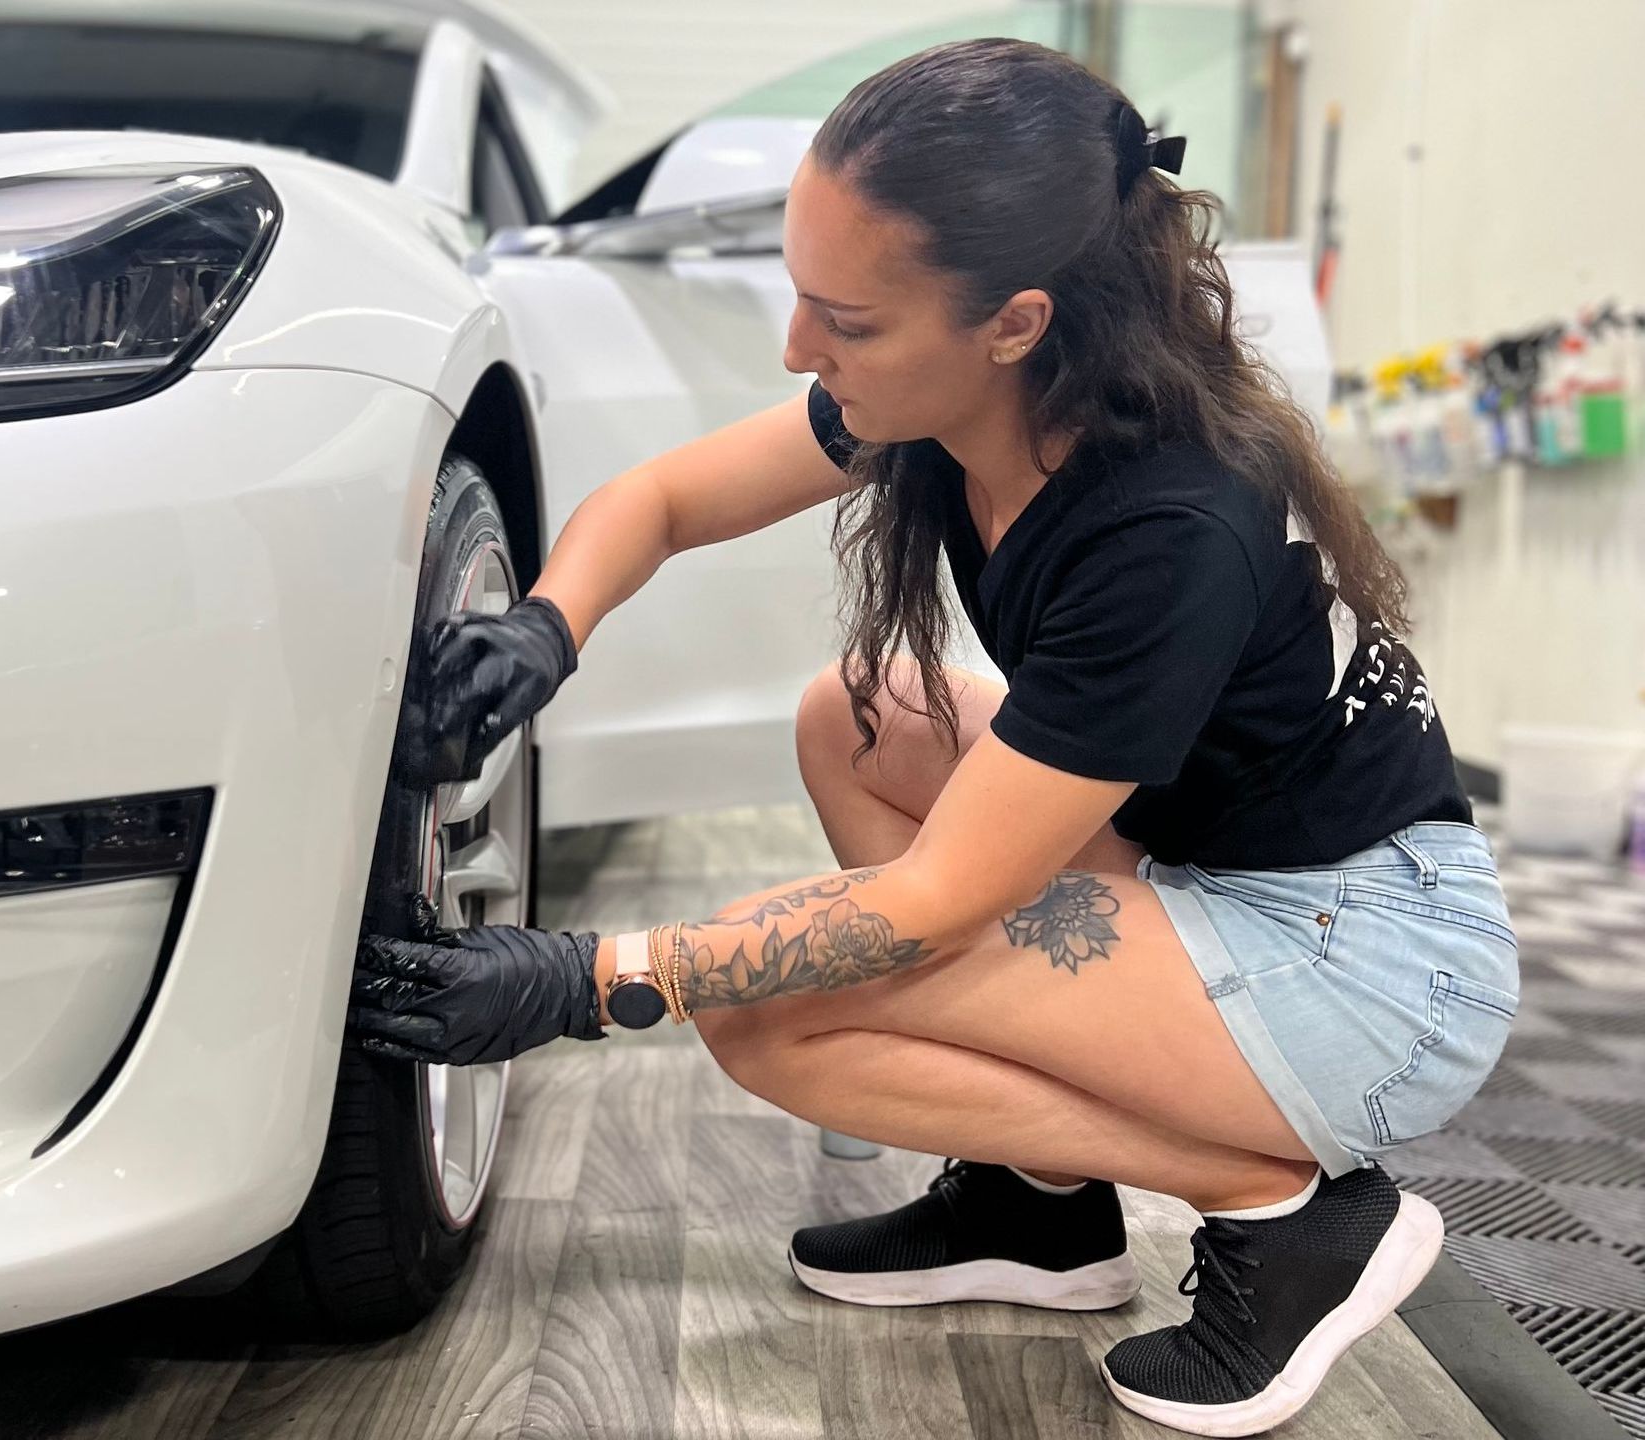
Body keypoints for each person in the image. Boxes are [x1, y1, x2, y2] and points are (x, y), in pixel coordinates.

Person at [352, 37, 1519, 1438]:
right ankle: (1041, 1208)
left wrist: (590, 981)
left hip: (1371, 968)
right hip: (1241, 870)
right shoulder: (953, 399)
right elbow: (662, 499)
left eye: (844, 319)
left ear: (1014, 322)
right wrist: (547, 624)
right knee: (857, 720)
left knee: (773, 1016)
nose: (801, 350)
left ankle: (1286, 1216)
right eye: (801, 297)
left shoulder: (1169, 527)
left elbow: (935, 901)